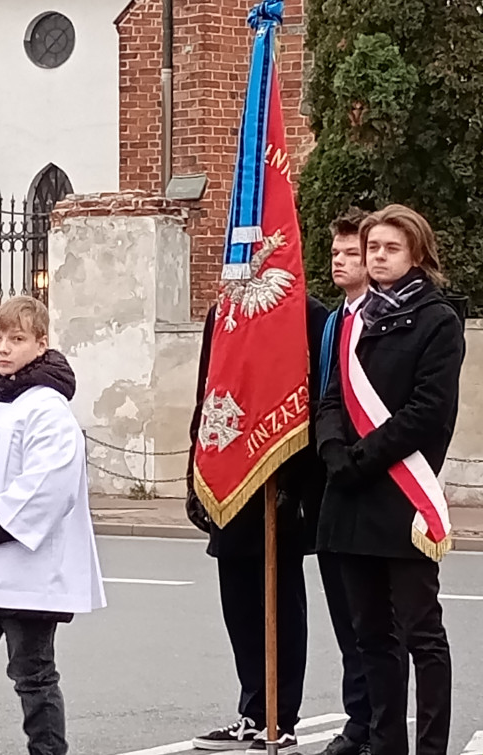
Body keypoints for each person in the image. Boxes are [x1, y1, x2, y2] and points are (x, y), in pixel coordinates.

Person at [0, 295, 106, 755]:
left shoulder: (47, 409)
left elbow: (48, 487)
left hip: (25, 568)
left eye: (17, 339)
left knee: (33, 677)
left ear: (41, 344)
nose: (3, 349)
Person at [317, 204, 463, 755]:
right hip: (350, 498)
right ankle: (384, 745)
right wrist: (333, 451)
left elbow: (427, 411)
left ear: (416, 253)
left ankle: (429, 747)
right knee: (371, 636)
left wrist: (361, 459)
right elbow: (332, 396)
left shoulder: (437, 320)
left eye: (389, 248)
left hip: (401, 496)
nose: (377, 257)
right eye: (371, 247)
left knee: (420, 635)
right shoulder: (355, 317)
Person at [187, 295, 328, 755]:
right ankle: (252, 711)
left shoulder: (308, 314)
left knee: (281, 603)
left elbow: (317, 399)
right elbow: (207, 394)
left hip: (282, 478)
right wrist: (196, 474)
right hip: (232, 472)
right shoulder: (223, 313)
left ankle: (280, 717)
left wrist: (300, 483)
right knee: (241, 606)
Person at [312, 209, 374, 755]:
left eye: (350, 253)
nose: (340, 261)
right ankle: (359, 720)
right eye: (335, 253)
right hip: (335, 475)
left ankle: (378, 723)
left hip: (376, 475)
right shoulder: (336, 320)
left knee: (379, 622)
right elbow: (326, 393)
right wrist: (330, 450)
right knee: (345, 613)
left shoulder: (383, 318)